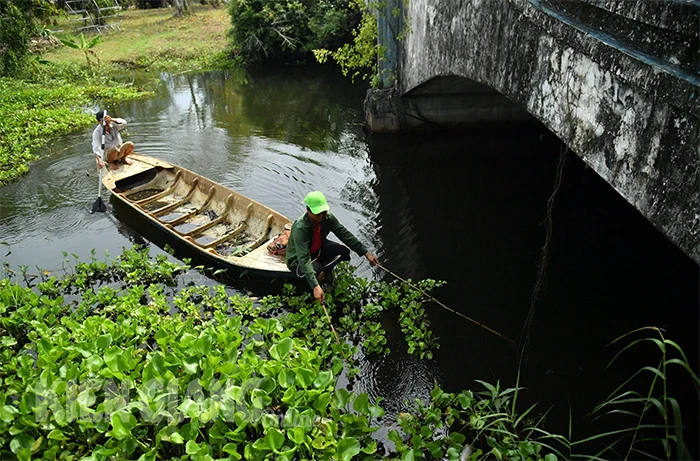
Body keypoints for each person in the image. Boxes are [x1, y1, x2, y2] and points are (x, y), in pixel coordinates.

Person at [286, 191, 380, 304]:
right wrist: (315, 286)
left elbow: (344, 234)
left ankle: (324, 271)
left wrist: (365, 253)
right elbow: (304, 259)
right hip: (298, 259)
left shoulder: (328, 219)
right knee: (316, 270)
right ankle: (317, 289)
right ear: (308, 210)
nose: (321, 216)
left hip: (318, 249)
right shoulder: (300, 228)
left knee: (343, 252)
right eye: (318, 213)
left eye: (324, 212)